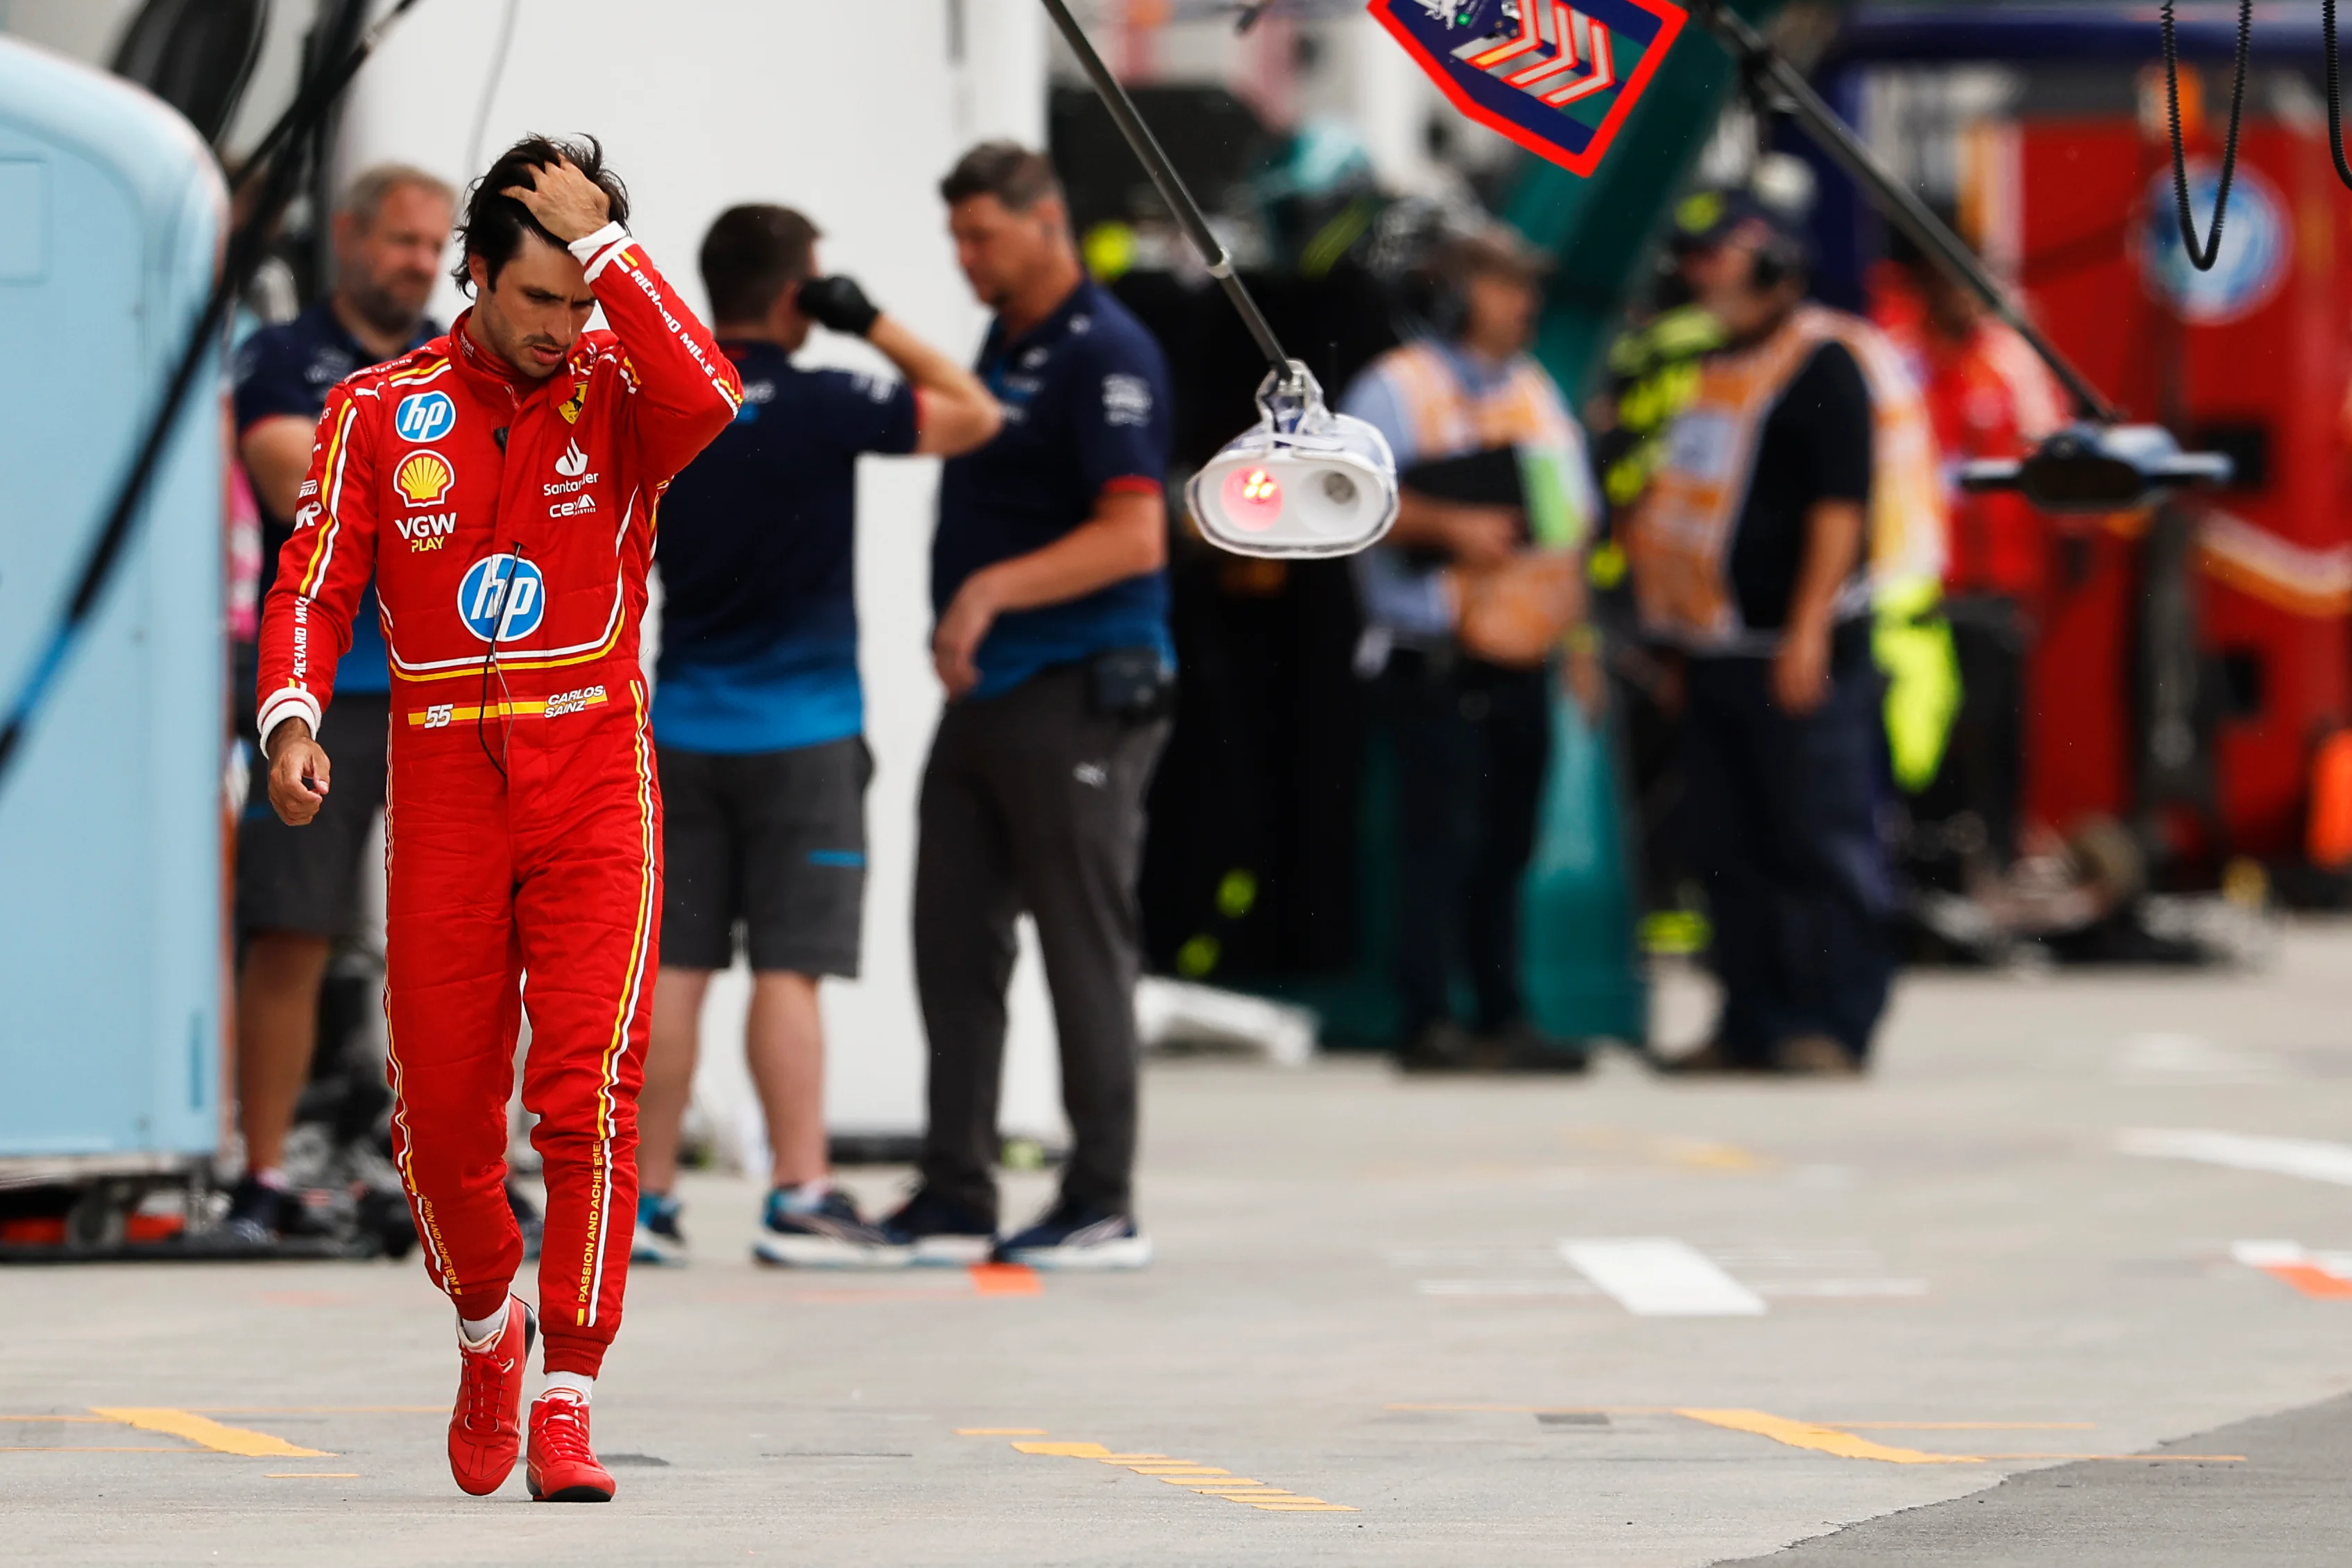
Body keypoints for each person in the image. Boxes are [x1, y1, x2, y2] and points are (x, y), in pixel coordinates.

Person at [255, 136, 740, 1501]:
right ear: (475, 276)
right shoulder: (372, 408)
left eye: (581, 299)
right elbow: (308, 586)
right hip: (447, 785)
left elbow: (714, 395)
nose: (564, 328)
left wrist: (608, 254)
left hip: (595, 777)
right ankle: (487, 1326)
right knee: (441, 1120)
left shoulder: (627, 395)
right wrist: (290, 714)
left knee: (591, 1093)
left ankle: (570, 1393)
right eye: (539, 299)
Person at [633, 205, 1001, 1268]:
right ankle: (798, 1195)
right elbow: (974, 415)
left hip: (680, 725)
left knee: (672, 972)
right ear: (802, 292)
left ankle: (645, 1208)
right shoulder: (831, 396)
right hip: (805, 735)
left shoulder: (674, 398)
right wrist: (871, 322)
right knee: (788, 971)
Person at [878, 142, 1173, 1270]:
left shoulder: (1108, 353)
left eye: (982, 236)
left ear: (1047, 220)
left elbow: (1135, 530)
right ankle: (956, 1186)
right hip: (993, 691)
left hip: (1081, 685)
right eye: (956, 237)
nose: (966, 258)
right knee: (950, 938)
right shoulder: (1008, 341)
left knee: (1080, 944)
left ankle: (1101, 1195)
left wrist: (988, 592)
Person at [1625, 196, 1939, 1075]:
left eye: (1715, 258)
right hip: (1718, 649)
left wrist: (1804, 629)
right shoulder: (1722, 366)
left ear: (1770, 263)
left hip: (1801, 652)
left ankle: (1833, 1022)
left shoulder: (1825, 363)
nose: (1698, 277)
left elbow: (1840, 510)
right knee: (1729, 847)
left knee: (1819, 845)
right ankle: (1750, 1018)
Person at [226, 164, 453, 1242]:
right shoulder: (282, 354)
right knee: (291, 930)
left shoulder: (459, 353)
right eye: (405, 241)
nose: (421, 263)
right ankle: (262, 1174)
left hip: (443, 691)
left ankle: (462, 1170)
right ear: (351, 239)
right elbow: (286, 484)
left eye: (434, 244)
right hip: (318, 695)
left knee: (461, 940)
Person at [1338, 225, 1599, 1072]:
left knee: (1506, 841)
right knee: (1435, 843)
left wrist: (1581, 640)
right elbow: (1342, 499)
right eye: (1503, 285)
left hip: (1521, 652)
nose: (1523, 304)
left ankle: (1502, 1012)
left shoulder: (1535, 391)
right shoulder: (1394, 389)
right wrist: (1449, 524)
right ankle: (1425, 1017)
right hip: (1433, 654)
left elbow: (1569, 526)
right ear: (1452, 293)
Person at [1882, 228, 2065, 878]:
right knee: (1922, 725)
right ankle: (1922, 852)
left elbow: (2054, 450)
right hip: (1920, 581)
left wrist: (2069, 541)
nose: (1965, 297)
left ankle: (1999, 848)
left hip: (1999, 583)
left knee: (2000, 720)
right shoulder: (1898, 357)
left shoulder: (2012, 360)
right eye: (1952, 281)